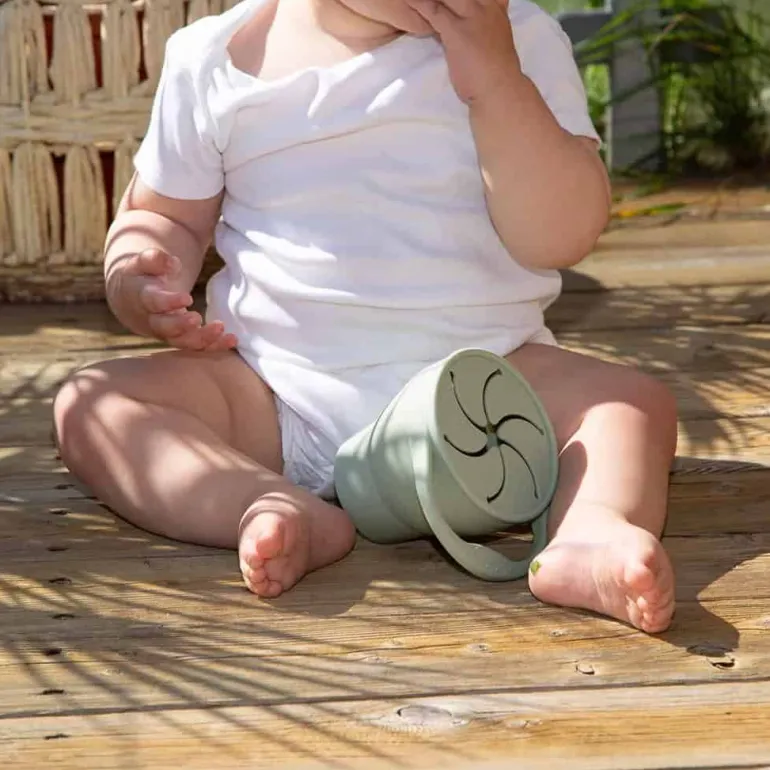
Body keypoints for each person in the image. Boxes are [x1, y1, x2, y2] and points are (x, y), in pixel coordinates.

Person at [53, 0, 678, 633]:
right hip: (277, 395)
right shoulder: (216, 58)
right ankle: (261, 501)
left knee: (629, 404)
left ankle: (589, 531)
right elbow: (161, 215)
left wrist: (495, 78)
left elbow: (563, 236)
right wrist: (140, 273)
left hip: (486, 395)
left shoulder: (519, 37)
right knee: (94, 403)